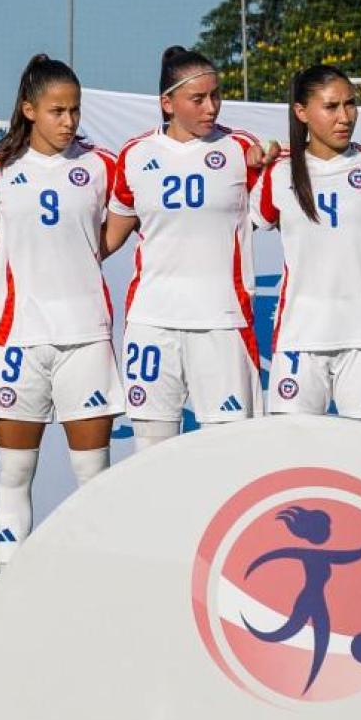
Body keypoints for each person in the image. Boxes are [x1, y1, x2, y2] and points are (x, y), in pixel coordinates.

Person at [0, 54, 122, 568]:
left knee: (93, 473)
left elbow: (114, 229)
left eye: (74, 111)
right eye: (57, 111)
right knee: (17, 472)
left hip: (86, 336)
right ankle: (11, 585)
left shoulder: (100, 165)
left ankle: (93, 577)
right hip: (18, 338)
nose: (68, 122)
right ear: (28, 110)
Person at [104, 46, 275, 451]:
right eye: (197, 99)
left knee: (228, 452)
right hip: (152, 320)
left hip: (221, 320)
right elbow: (110, 237)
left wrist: (266, 164)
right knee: (152, 453)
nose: (211, 107)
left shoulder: (240, 149)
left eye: (215, 95)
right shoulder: (135, 155)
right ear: (167, 103)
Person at [253, 65, 361, 423]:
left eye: (351, 104)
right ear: (301, 113)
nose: (345, 117)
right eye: (331, 107)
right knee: (292, 462)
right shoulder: (277, 173)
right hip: (299, 338)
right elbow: (229, 225)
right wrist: (254, 159)